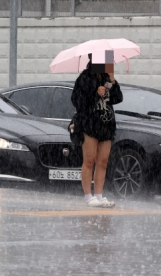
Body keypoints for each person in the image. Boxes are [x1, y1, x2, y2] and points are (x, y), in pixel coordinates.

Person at [71, 52, 123, 208]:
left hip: (106, 124)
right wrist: (95, 94)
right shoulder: (85, 78)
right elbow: (77, 101)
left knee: (103, 161)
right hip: (89, 123)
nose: (109, 65)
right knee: (89, 159)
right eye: (106, 61)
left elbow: (118, 98)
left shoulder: (107, 78)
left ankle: (99, 196)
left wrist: (112, 80)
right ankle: (88, 196)